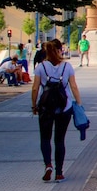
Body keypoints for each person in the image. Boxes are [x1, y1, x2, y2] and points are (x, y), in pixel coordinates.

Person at [31, 39, 81, 183]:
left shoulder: (40, 67)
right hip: (64, 108)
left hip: (45, 108)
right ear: (60, 50)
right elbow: (74, 87)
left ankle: (48, 165)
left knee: (45, 138)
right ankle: (59, 172)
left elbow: (35, 88)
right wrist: (78, 104)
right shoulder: (67, 66)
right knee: (60, 140)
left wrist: (34, 105)